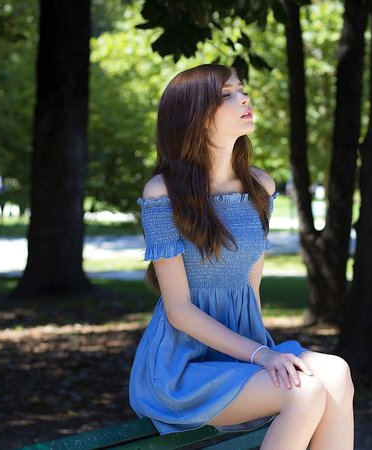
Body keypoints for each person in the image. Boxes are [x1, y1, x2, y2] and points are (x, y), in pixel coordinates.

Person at [129, 64, 354, 449]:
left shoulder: (260, 186)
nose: (244, 98)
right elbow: (179, 310)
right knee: (301, 392)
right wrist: (262, 356)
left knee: (336, 372)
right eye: (226, 95)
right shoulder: (162, 193)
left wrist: (260, 355)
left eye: (241, 90)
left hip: (244, 353)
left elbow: (251, 286)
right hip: (181, 368)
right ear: (194, 116)